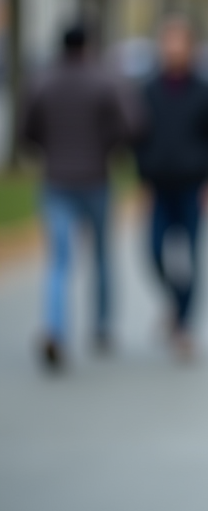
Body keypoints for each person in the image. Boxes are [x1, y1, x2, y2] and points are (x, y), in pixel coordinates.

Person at [21, 23, 135, 369]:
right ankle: (101, 326)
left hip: (56, 179)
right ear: (90, 45)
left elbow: (27, 131)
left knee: (58, 261)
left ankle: (55, 328)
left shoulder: (41, 81)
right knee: (101, 256)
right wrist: (107, 149)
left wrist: (49, 151)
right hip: (96, 178)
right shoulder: (106, 80)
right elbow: (131, 125)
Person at [135, 17, 208, 359]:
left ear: (191, 47)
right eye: (167, 42)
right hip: (158, 185)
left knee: (191, 257)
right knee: (154, 252)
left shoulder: (206, 90)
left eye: (179, 42)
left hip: (193, 185)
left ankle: (186, 326)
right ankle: (175, 303)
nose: (173, 49)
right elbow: (138, 139)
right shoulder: (149, 89)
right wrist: (141, 179)